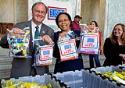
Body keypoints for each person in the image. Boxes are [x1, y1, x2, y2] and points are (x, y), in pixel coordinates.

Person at [0, 2, 54, 78]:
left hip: (41, 72)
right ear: (32, 11)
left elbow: (52, 51)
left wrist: (51, 43)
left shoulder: (50, 31)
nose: (40, 14)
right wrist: (10, 35)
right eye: (37, 11)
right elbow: (3, 43)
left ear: (45, 14)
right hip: (20, 71)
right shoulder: (20, 26)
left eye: (42, 12)